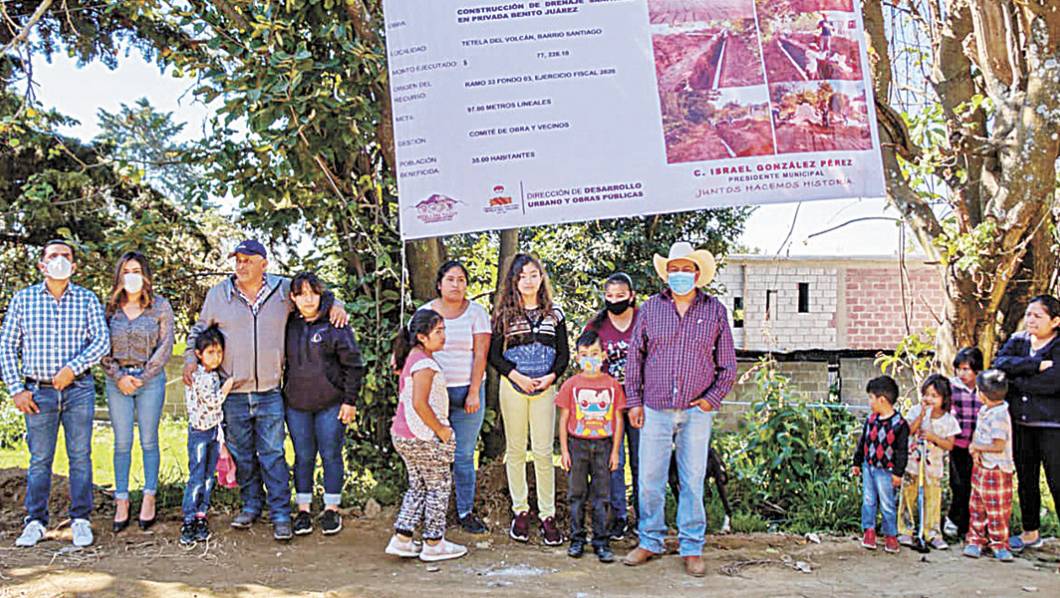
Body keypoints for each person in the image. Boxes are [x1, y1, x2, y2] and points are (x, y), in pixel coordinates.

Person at [182, 239, 348, 542]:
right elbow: (199, 331)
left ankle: (282, 513)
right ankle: (251, 505)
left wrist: (336, 304)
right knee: (242, 454)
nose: (241, 265)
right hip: (232, 393)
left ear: (264, 264)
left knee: (272, 453)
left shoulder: (282, 290)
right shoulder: (219, 294)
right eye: (238, 260)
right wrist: (189, 360)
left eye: (248, 260)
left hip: (271, 391)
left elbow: (314, 294)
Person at [622, 242, 736, 577]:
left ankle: (691, 546)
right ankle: (650, 540)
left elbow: (727, 365)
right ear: (667, 273)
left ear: (698, 274)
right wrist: (633, 402)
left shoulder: (714, 311)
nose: (681, 275)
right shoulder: (650, 309)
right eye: (675, 269)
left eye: (687, 269)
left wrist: (709, 400)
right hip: (655, 408)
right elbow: (635, 359)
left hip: (696, 410)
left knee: (692, 478)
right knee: (649, 479)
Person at [0, 240, 109, 548]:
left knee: (80, 457)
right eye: (52, 256)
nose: (59, 260)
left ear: (74, 266)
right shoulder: (24, 300)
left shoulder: (87, 300)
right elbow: (7, 346)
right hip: (37, 393)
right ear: (42, 265)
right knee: (39, 460)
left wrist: (72, 369)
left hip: (79, 390)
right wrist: (16, 389)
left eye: (66, 256)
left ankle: (81, 520)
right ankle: (34, 522)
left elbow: (101, 342)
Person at [489, 253, 569, 546]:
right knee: (516, 450)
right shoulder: (503, 315)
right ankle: (520, 511)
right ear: (514, 280)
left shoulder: (555, 314)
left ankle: (547, 515)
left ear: (541, 278)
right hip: (514, 387)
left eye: (534, 274)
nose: (528, 280)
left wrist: (550, 378)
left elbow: (564, 354)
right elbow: (494, 355)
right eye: (522, 276)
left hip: (545, 388)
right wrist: (516, 377)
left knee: (545, 451)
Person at [284, 272, 364, 536]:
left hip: (331, 404)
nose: (308, 299)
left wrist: (349, 401)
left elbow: (354, 365)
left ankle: (331, 509)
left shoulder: (335, 323)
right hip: (296, 405)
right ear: (293, 298)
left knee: (330, 455)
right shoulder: (288, 324)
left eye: (313, 293)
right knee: (303, 457)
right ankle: (303, 510)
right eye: (301, 294)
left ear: (320, 295)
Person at [100, 251, 175, 532]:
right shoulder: (109, 309)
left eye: (136, 271)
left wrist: (143, 377)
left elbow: (165, 346)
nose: (131, 276)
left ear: (145, 275)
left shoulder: (160, 307)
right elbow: (99, 344)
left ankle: (149, 496)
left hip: (149, 380)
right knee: (121, 442)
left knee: (148, 440)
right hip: (117, 380)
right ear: (119, 275)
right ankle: (122, 500)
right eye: (126, 271)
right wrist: (118, 376)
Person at [385, 310, 467, 562]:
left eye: (444, 329)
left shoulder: (412, 357)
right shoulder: (424, 364)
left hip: (404, 436)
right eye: (438, 331)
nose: (444, 336)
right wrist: (441, 430)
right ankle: (433, 542)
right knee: (439, 487)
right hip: (423, 436)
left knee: (418, 486)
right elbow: (420, 404)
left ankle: (403, 537)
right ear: (421, 336)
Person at [419, 260, 491, 534]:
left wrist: (474, 391)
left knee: (462, 455)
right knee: (432, 454)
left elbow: (481, 354)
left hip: (467, 392)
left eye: (461, 280)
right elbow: (415, 351)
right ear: (439, 283)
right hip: (434, 395)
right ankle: (431, 510)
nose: (456, 284)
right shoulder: (425, 312)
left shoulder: (477, 313)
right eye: (450, 279)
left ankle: (464, 511)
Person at [991, 294, 1060, 553]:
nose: (1030, 319)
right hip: (1020, 424)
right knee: (1027, 481)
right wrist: (1035, 365)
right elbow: (999, 364)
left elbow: (1054, 382)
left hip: (1053, 426)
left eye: (1037, 316)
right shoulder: (1018, 341)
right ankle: (1031, 533)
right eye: (1028, 314)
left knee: (1058, 482)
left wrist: (1016, 380)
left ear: (1055, 321)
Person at [556, 329, 625, 563]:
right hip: (577, 445)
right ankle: (577, 539)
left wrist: (616, 451)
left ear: (604, 356)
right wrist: (564, 450)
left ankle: (601, 541)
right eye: (585, 354)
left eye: (595, 353)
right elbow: (564, 419)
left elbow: (617, 419)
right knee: (576, 494)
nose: (590, 359)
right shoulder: (571, 385)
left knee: (601, 496)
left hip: (604, 445)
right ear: (577, 357)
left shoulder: (613, 386)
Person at [585, 272, 638, 539]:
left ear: (631, 295)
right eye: (610, 296)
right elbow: (586, 364)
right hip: (608, 406)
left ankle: (645, 517)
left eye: (620, 295)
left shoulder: (645, 321)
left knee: (643, 462)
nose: (615, 300)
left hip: (642, 404)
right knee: (614, 462)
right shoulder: (596, 327)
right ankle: (619, 517)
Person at [181, 326, 234, 546]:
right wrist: (226, 388)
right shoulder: (198, 376)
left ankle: (202, 514)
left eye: (219, 352)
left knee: (208, 475)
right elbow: (213, 401)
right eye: (210, 352)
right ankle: (189, 517)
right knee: (196, 475)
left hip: (213, 431)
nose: (216, 357)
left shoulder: (213, 375)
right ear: (199, 354)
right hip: (200, 432)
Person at [897, 374, 960, 549]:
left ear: (944, 398)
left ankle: (932, 533)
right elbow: (908, 431)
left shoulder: (948, 420)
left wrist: (933, 437)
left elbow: (949, 445)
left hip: (933, 468)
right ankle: (905, 531)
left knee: (932, 499)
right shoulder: (916, 411)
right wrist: (922, 416)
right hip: (913, 465)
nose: (929, 399)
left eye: (934, 396)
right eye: (926, 394)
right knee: (908, 496)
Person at [963, 370, 1016, 561]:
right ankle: (976, 539)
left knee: (997, 509)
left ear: (982, 394)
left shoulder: (1000, 415)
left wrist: (977, 447)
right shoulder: (985, 411)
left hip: (997, 470)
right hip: (981, 467)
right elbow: (980, 436)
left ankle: (999, 543)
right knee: (976, 505)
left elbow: (998, 445)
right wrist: (976, 451)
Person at [852, 375, 909, 555]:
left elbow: (902, 452)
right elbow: (863, 442)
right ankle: (869, 530)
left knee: (887, 503)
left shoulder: (900, 425)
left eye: (871, 398)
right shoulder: (871, 421)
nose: (870, 402)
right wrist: (857, 462)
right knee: (868, 501)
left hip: (886, 471)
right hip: (869, 468)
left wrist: (898, 473)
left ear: (882, 399)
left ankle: (890, 535)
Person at [945, 347, 983, 540]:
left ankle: (969, 524)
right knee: (958, 484)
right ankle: (953, 520)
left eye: (967, 369)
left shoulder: (984, 389)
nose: (962, 373)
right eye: (959, 369)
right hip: (958, 444)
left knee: (974, 485)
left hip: (978, 446)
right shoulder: (952, 388)